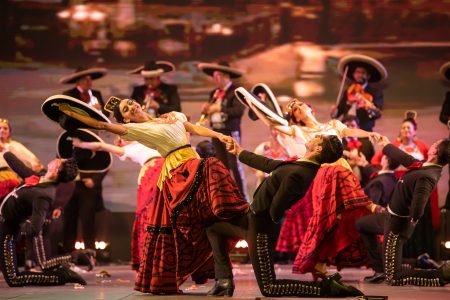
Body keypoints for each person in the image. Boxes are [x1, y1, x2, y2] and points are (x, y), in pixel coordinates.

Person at [55, 95, 249, 294]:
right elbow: (100, 125)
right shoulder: (134, 130)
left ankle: (223, 278)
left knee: (209, 224)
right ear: (127, 119)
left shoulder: (171, 116)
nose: (131, 107)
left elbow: (192, 128)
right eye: (126, 110)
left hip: (193, 163)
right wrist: (70, 112)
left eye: (130, 103)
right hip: (179, 172)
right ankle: (240, 222)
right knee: (212, 168)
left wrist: (218, 135)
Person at [205, 134, 363, 297]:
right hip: (251, 219)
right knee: (213, 228)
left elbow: (276, 208)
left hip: (260, 228)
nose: (315, 136)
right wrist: (238, 151)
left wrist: (261, 211)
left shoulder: (300, 173)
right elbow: (268, 164)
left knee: (269, 288)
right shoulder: (300, 165)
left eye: (319, 138)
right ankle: (224, 280)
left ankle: (326, 288)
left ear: (318, 149)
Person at [70, 136, 163, 271]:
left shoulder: (143, 137)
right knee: (151, 212)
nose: (124, 138)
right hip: (155, 170)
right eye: (120, 138)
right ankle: (152, 256)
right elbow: (101, 146)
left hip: (168, 166)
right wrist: (81, 143)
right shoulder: (125, 150)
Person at [0, 151, 85, 287]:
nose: (55, 159)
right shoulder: (39, 178)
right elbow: (17, 164)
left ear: (56, 170)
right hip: (4, 222)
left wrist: (17, 221)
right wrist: (5, 151)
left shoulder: (44, 196)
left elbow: (34, 229)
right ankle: (73, 260)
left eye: (59, 160)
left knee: (13, 279)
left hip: (7, 232)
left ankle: (60, 277)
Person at [376, 136, 450, 286]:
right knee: (363, 225)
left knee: (393, 277)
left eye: (434, 143)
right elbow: (405, 158)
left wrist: (410, 220)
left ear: (434, 151)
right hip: (390, 217)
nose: (432, 144)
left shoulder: (427, 176)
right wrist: (385, 144)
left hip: (396, 225)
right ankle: (422, 262)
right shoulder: (425, 166)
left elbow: (418, 207)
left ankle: (440, 275)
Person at [371, 115, 439, 259]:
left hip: (418, 186)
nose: (405, 130)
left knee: (416, 216)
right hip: (401, 185)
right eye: (403, 127)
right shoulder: (395, 145)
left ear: (414, 132)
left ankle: (419, 255)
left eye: (409, 127)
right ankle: (403, 257)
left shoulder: (421, 146)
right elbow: (376, 159)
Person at [198, 61, 247, 197]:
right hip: (216, 132)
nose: (215, 79)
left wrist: (220, 108)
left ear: (226, 76)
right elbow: (211, 110)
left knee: (235, 165)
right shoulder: (214, 93)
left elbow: (238, 111)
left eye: (217, 76)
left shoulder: (236, 91)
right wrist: (207, 110)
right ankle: (226, 196)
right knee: (221, 166)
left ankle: (243, 197)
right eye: (214, 76)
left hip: (230, 132)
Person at [354, 154, 400, 283]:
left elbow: (375, 203)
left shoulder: (380, 182)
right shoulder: (390, 177)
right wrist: (364, 164)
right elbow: (377, 173)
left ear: (385, 161)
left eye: (384, 156)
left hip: (382, 217)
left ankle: (379, 269)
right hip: (390, 217)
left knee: (361, 225)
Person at [331, 54, 386, 132]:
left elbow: (377, 114)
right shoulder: (348, 91)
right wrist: (334, 111)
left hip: (364, 130)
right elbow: (338, 112)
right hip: (346, 128)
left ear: (368, 76)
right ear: (353, 75)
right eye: (357, 72)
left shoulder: (375, 92)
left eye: (363, 73)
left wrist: (368, 108)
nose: (360, 75)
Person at [0, 118, 42, 200]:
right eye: (0, 128)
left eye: (5, 128)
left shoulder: (15, 146)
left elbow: (34, 161)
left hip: (11, 180)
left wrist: (33, 163)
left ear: (9, 132)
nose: (2, 130)